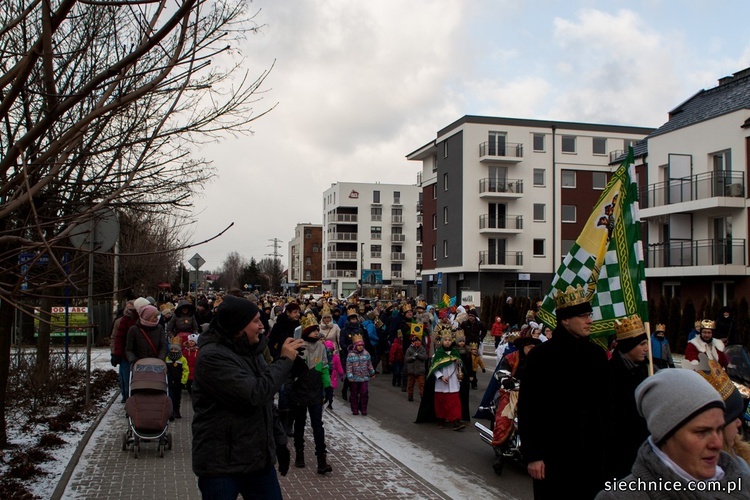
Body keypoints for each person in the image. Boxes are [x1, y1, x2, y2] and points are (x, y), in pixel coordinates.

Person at [192, 295, 305, 500]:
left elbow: (267, 402)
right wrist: (285, 360)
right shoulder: (212, 357)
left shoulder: (251, 350)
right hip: (221, 466)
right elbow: (254, 393)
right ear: (237, 327)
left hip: (257, 461)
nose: (262, 325)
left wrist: (279, 441)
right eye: (255, 321)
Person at [595, 368, 750, 499]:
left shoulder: (742, 481)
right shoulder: (621, 497)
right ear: (665, 434)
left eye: (719, 429)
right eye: (702, 432)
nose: (716, 443)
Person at [518, 285, 610, 499]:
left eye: (590, 314)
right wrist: (533, 455)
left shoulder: (597, 356)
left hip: (591, 458)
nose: (590, 320)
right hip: (553, 458)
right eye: (583, 315)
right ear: (565, 320)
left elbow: (606, 407)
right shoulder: (541, 357)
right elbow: (529, 408)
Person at [606, 314, 651, 480]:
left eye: (646, 343)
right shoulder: (610, 373)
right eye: (642, 344)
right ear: (628, 346)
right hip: (618, 450)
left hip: (643, 445)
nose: (647, 348)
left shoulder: (647, 370)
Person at [288, 313, 333, 474]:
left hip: (315, 390)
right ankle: (299, 453)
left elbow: (325, 368)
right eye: (313, 330)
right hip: (300, 389)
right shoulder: (298, 345)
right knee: (299, 424)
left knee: (317, 425)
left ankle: (321, 459)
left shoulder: (321, 347)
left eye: (317, 330)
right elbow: (290, 370)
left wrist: (328, 387)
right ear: (306, 332)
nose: (316, 333)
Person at [416, 330, 466, 431]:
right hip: (441, 383)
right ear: (442, 342)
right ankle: (440, 420)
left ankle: (456, 422)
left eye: (449, 340)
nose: (447, 342)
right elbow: (433, 369)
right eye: (445, 340)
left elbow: (461, 367)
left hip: (453, 383)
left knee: (455, 403)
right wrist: (441, 377)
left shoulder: (455, 353)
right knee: (441, 403)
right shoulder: (438, 354)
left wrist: (458, 362)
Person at [111, 300, 137, 402]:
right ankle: (126, 398)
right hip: (124, 355)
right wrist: (114, 353)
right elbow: (115, 338)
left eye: (132, 309)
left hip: (137, 355)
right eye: (128, 308)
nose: (130, 310)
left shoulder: (141, 320)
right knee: (124, 379)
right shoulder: (120, 321)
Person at [346, 333, 375, 416]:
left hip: (364, 377)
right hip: (355, 377)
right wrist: (350, 376)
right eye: (358, 346)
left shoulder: (366, 353)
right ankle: (355, 408)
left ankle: (363, 408)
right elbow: (348, 367)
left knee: (364, 393)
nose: (360, 347)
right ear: (355, 346)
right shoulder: (351, 355)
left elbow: (369, 364)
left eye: (362, 345)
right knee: (354, 393)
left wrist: (372, 372)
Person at [165, 341, 189, 420]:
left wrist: (183, 381)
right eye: (172, 349)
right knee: (170, 397)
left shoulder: (182, 359)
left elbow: (186, 371)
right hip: (169, 382)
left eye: (175, 349)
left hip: (178, 382)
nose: (173, 351)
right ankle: (171, 413)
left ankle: (177, 411)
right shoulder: (167, 358)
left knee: (177, 398)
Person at [405, 335, 428, 402]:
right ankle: (410, 396)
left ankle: (422, 396)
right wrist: (412, 357)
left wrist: (417, 355)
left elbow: (424, 357)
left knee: (421, 384)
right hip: (411, 370)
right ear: (412, 343)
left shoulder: (422, 349)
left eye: (418, 341)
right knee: (410, 384)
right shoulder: (409, 349)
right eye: (415, 342)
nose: (417, 343)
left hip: (420, 370)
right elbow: (407, 359)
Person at [324, 340, 344, 409]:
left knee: (331, 390)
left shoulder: (335, 357)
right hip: (325, 375)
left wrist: (341, 374)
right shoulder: (323, 357)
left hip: (332, 376)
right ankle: (325, 400)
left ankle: (330, 402)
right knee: (325, 390)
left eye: (331, 349)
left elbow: (338, 366)